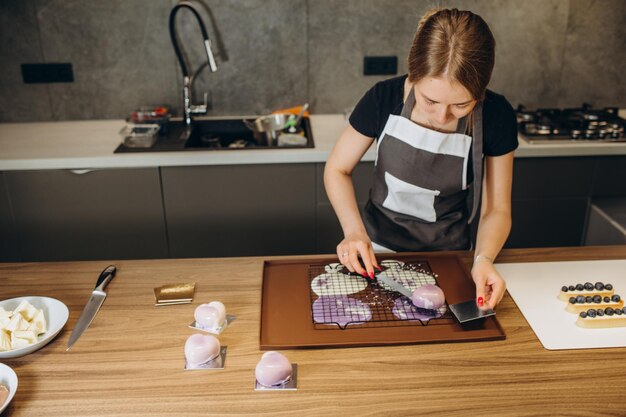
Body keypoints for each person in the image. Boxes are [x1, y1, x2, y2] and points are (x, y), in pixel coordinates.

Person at [324, 8, 518, 309]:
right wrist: (352, 232)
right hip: (375, 251)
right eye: (430, 100)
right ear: (414, 74)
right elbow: (337, 168)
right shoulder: (383, 98)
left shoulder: (496, 115)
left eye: (461, 105)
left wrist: (483, 259)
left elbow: (497, 208)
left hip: (452, 257)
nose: (442, 116)